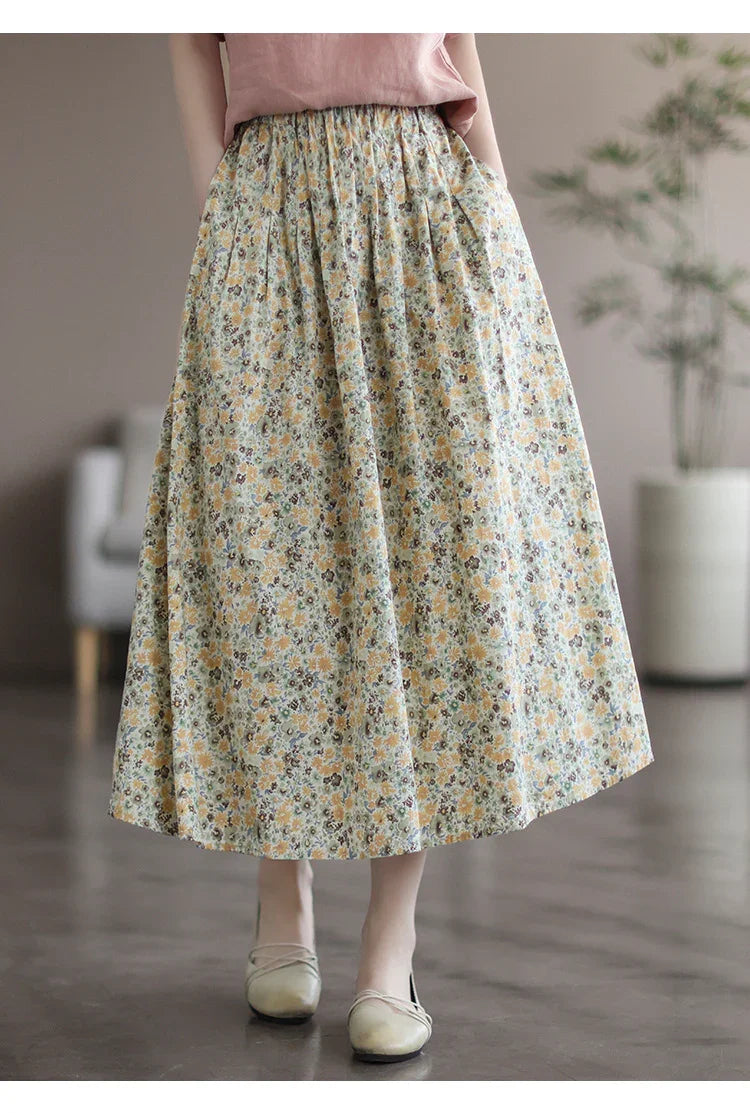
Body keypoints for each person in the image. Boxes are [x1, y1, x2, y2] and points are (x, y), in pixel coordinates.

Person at [108, 32, 654, 1064]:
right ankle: (283, 888)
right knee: (271, 571)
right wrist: (220, 201)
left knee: (430, 576)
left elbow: (456, 37)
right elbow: (190, 31)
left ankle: (389, 944)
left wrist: (494, 203)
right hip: (269, 207)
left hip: (425, 209)